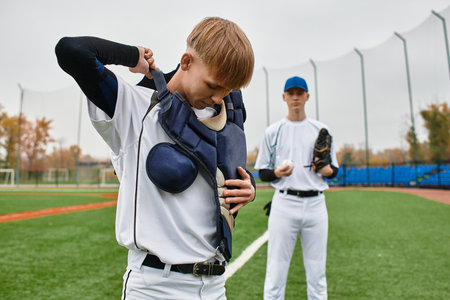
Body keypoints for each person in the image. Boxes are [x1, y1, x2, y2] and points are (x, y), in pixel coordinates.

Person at [55, 17, 255, 299]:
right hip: (154, 288)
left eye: (228, 90)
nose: (218, 97)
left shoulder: (226, 117)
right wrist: (132, 56)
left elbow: (224, 180)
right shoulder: (133, 107)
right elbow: (71, 50)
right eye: (213, 86)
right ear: (185, 61)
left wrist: (248, 190)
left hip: (214, 287)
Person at [254, 76, 339, 300]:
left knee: (317, 274)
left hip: (316, 205)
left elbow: (334, 170)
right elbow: (262, 171)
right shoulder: (274, 131)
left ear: (307, 97)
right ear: (284, 97)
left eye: (299, 93)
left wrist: (324, 169)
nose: (295, 97)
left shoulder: (320, 129)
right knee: (276, 272)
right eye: (290, 93)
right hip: (285, 203)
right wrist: (277, 173)